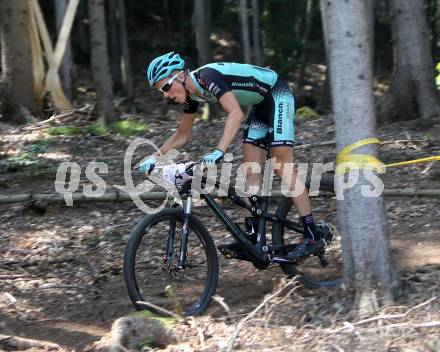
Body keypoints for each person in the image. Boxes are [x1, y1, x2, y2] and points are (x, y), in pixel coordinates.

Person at [140, 51, 324, 259]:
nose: (165, 95)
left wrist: (220, 150)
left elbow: (236, 112)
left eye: (165, 87)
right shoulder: (190, 96)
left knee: (281, 165)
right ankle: (253, 238)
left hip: (277, 94)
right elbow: (182, 134)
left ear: (180, 76)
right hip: (262, 104)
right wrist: (156, 157)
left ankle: (312, 234)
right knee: (250, 171)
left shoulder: (206, 77)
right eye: (160, 91)